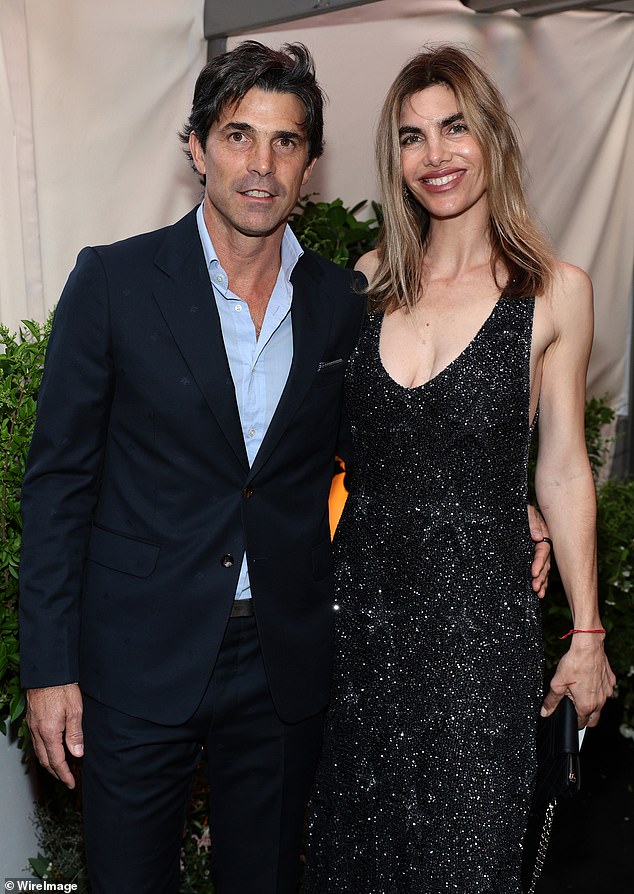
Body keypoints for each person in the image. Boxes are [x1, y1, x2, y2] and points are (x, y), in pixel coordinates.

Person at [18, 41, 368, 894]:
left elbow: (379, 453)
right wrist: (50, 666)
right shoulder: (115, 281)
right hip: (138, 653)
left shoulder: (339, 303)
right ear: (197, 148)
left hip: (281, 660)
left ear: (310, 163)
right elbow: (59, 482)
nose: (261, 164)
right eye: (239, 136)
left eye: (285, 142)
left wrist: (523, 508)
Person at [303, 46, 615, 893]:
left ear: (492, 139)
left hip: (478, 643)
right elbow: (327, 450)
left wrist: (587, 634)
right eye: (412, 137)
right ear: (394, 159)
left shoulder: (552, 292)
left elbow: (562, 467)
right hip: (360, 634)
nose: (435, 155)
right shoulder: (365, 285)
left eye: (454, 128)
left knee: (464, 867)